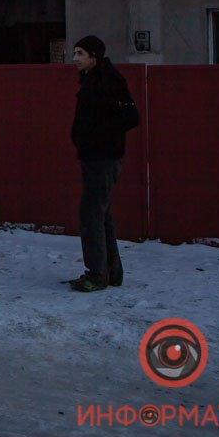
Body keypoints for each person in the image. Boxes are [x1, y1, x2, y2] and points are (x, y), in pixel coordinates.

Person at [69, 35, 140, 292]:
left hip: (102, 157)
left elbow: (130, 117)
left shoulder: (108, 80)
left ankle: (97, 275)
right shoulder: (95, 78)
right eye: (75, 53)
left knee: (91, 214)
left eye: (80, 53)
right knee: (102, 213)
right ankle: (111, 272)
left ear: (94, 56)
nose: (75, 58)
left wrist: (99, 137)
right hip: (96, 156)